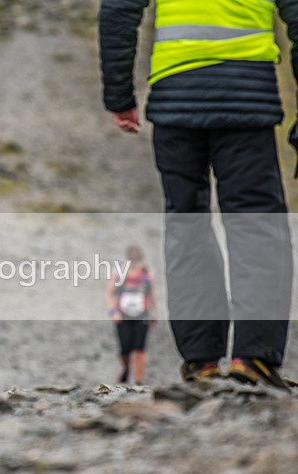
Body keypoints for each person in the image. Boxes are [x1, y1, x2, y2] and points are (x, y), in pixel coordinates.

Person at [99, 0, 296, 389]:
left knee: (186, 224)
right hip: (247, 99)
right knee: (257, 223)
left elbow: (118, 10)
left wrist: (120, 96)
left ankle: (201, 361)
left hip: (175, 100)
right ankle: (253, 357)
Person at [107, 245, 158, 386]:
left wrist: (154, 312)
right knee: (125, 349)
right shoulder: (119, 272)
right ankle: (126, 367)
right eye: (133, 261)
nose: (136, 264)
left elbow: (152, 293)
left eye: (138, 261)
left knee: (139, 349)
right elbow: (110, 293)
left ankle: (138, 381)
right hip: (123, 315)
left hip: (142, 315)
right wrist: (113, 312)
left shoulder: (147, 273)